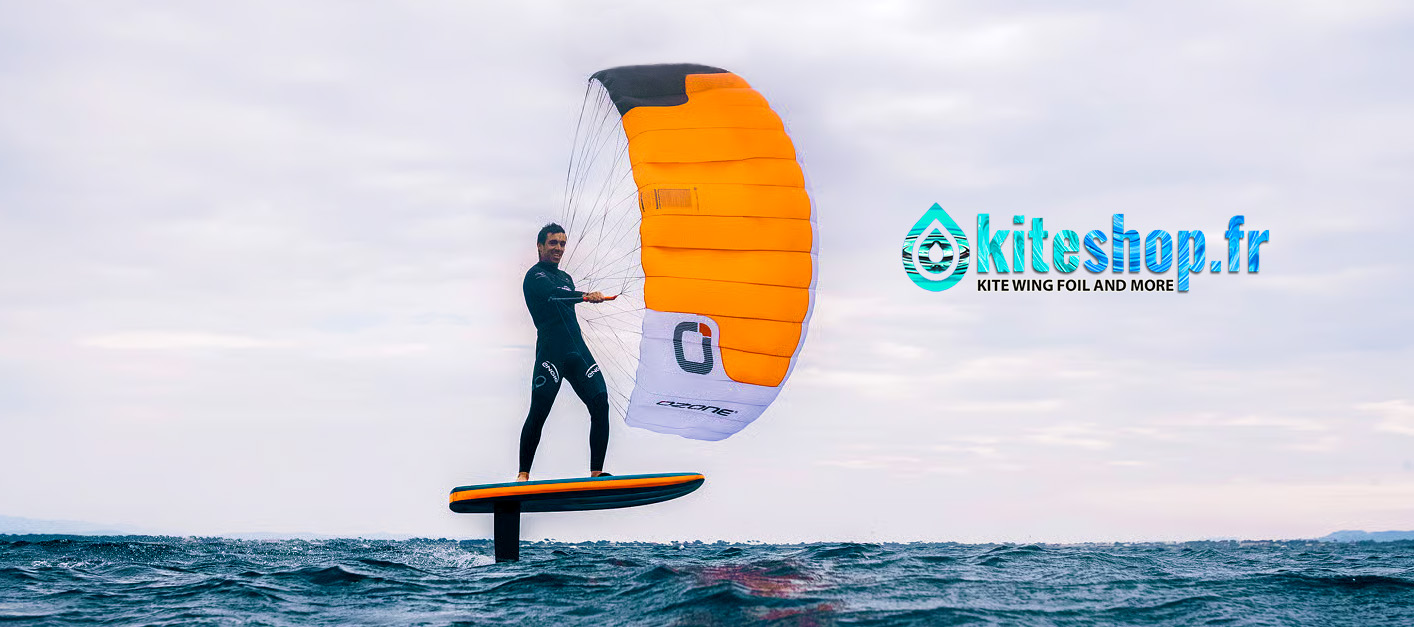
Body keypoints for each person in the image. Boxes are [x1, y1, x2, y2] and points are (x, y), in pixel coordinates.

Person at [518, 223, 610, 481]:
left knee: (600, 403)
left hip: (576, 351)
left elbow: (565, 292)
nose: (558, 248)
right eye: (553, 243)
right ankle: (523, 475)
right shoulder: (534, 276)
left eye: (562, 244)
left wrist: (582, 295)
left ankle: (597, 472)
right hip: (552, 353)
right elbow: (555, 295)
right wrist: (586, 295)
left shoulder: (566, 278)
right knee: (539, 411)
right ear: (540, 246)